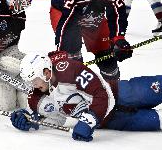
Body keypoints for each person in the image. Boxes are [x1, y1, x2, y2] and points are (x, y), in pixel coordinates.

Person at [10, 51, 162, 142]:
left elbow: (102, 94)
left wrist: (90, 119)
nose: (33, 86)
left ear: (46, 73)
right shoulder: (37, 97)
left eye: (34, 80)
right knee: (157, 121)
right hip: (112, 121)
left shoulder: (69, 70)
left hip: (124, 93)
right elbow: (56, 118)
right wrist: (30, 119)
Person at [49, 0, 133, 84]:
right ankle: (75, 88)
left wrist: (119, 37)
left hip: (92, 12)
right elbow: (67, 21)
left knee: (106, 56)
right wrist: (61, 49)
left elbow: (117, 15)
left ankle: (114, 92)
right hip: (63, 13)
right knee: (72, 53)